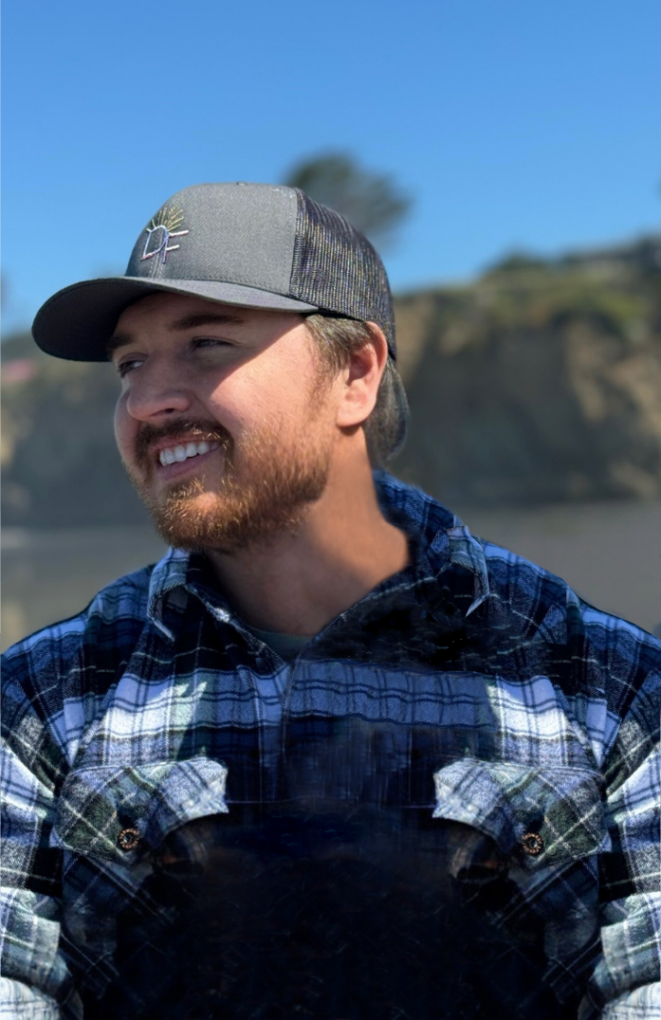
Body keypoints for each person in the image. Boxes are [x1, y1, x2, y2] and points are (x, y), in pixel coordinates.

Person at [1, 182, 659, 1020]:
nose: (145, 400)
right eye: (130, 364)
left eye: (205, 343)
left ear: (355, 373)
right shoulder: (45, 698)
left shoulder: (605, 686)